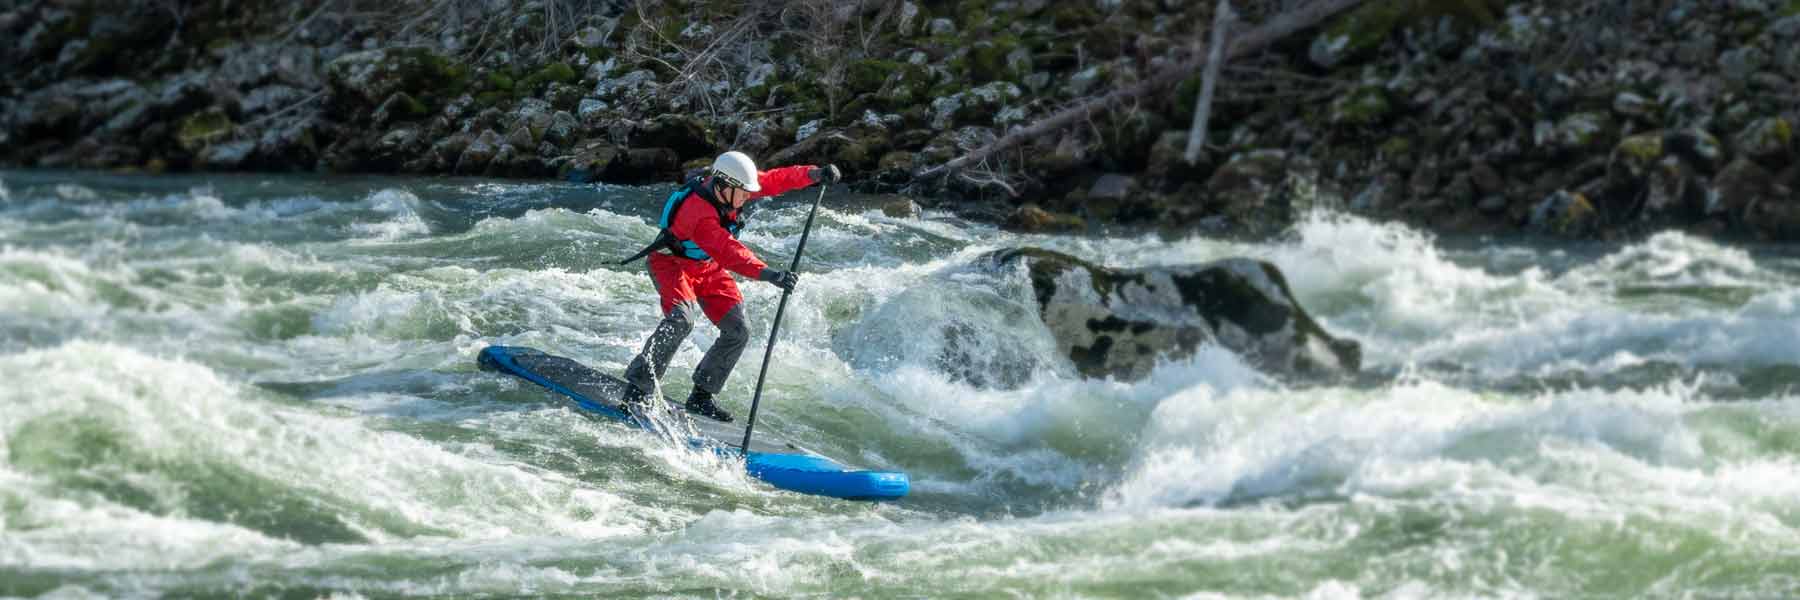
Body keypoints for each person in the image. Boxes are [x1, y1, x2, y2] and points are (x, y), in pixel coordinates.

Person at [616, 150, 840, 422]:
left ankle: (701, 396)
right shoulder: (697, 212)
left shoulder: (733, 185)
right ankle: (638, 389)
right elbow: (728, 250)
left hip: (706, 267)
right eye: (744, 193)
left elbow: (775, 179)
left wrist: (813, 174)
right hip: (671, 265)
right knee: (681, 320)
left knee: (738, 330)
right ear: (723, 186)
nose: (748, 197)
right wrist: (770, 274)